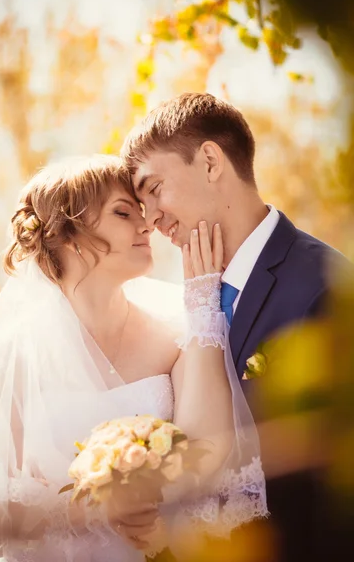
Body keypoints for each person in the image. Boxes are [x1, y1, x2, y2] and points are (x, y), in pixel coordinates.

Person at [0, 155, 267, 562]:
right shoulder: (14, 353)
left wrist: (157, 508)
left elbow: (207, 452)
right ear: (70, 235)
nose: (147, 225)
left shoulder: (177, 327)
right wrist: (86, 508)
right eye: (124, 213)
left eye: (142, 213)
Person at [120, 92, 349, 562]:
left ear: (209, 161)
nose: (152, 219)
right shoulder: (183, 306)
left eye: (155, 188)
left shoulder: (325, 287)